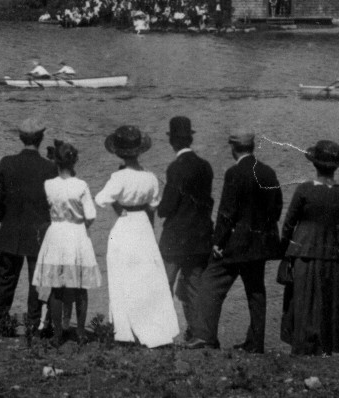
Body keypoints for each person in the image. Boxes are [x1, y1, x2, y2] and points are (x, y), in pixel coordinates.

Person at [187, 128, 283, 353]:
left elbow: (227, 213)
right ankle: (256, 343)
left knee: (210, 284)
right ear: (252, 147)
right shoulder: (268, 172)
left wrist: (218, 242)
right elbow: (276, 207)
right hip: (259, 245)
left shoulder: (234, 173)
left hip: (235, 245)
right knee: (256, 291)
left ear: (233, 148)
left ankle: (206, 337)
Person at [280, 140, 339, 355]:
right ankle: (326, 349)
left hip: (303, 251)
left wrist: (285, 253)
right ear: (336, 167)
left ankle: (303, 348)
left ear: (314, 165)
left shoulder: (304, 189)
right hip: (332, 252)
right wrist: (338, 225)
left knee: (302, 302)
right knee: (329, 302)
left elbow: (288, 225)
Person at [94, 125, 179, 348]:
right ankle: (152, 327)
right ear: (139, 151)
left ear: (118, 152)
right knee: (147, 276)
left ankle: (126, 330)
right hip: (143, 226)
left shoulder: (118, 176)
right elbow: (154, 204)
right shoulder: (150, 177)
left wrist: (118, 204)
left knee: (122, 276)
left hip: (124, 224)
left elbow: (101, 199)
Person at [32, 141, 101, 347]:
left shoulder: (49, 185)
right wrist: (81, 221)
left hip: (56, 233)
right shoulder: (81, 185)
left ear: (56, 161)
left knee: (56, 286)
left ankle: (57, 334)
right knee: (80, 285)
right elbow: (90, 215)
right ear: (75, 161)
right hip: (76, 233)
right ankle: (79, 332)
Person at [0, 117, 56, 333]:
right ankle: (34, 323)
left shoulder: (6, 162)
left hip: (11, 227)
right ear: (41, 138)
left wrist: (5, 217)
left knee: (5, 278)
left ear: (20, 138)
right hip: (38, 231)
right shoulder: (49, 168)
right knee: (36, 279)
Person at [157, 116, 214, 342]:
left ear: (172, 142)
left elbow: (167, 206)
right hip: (200, 238)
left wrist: (159, 208)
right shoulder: (205, 166)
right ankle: (200, 334)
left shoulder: (175, 168)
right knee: (194, 288)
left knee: (165, 285)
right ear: (190, 139)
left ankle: (162, 333)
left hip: (175, 238)